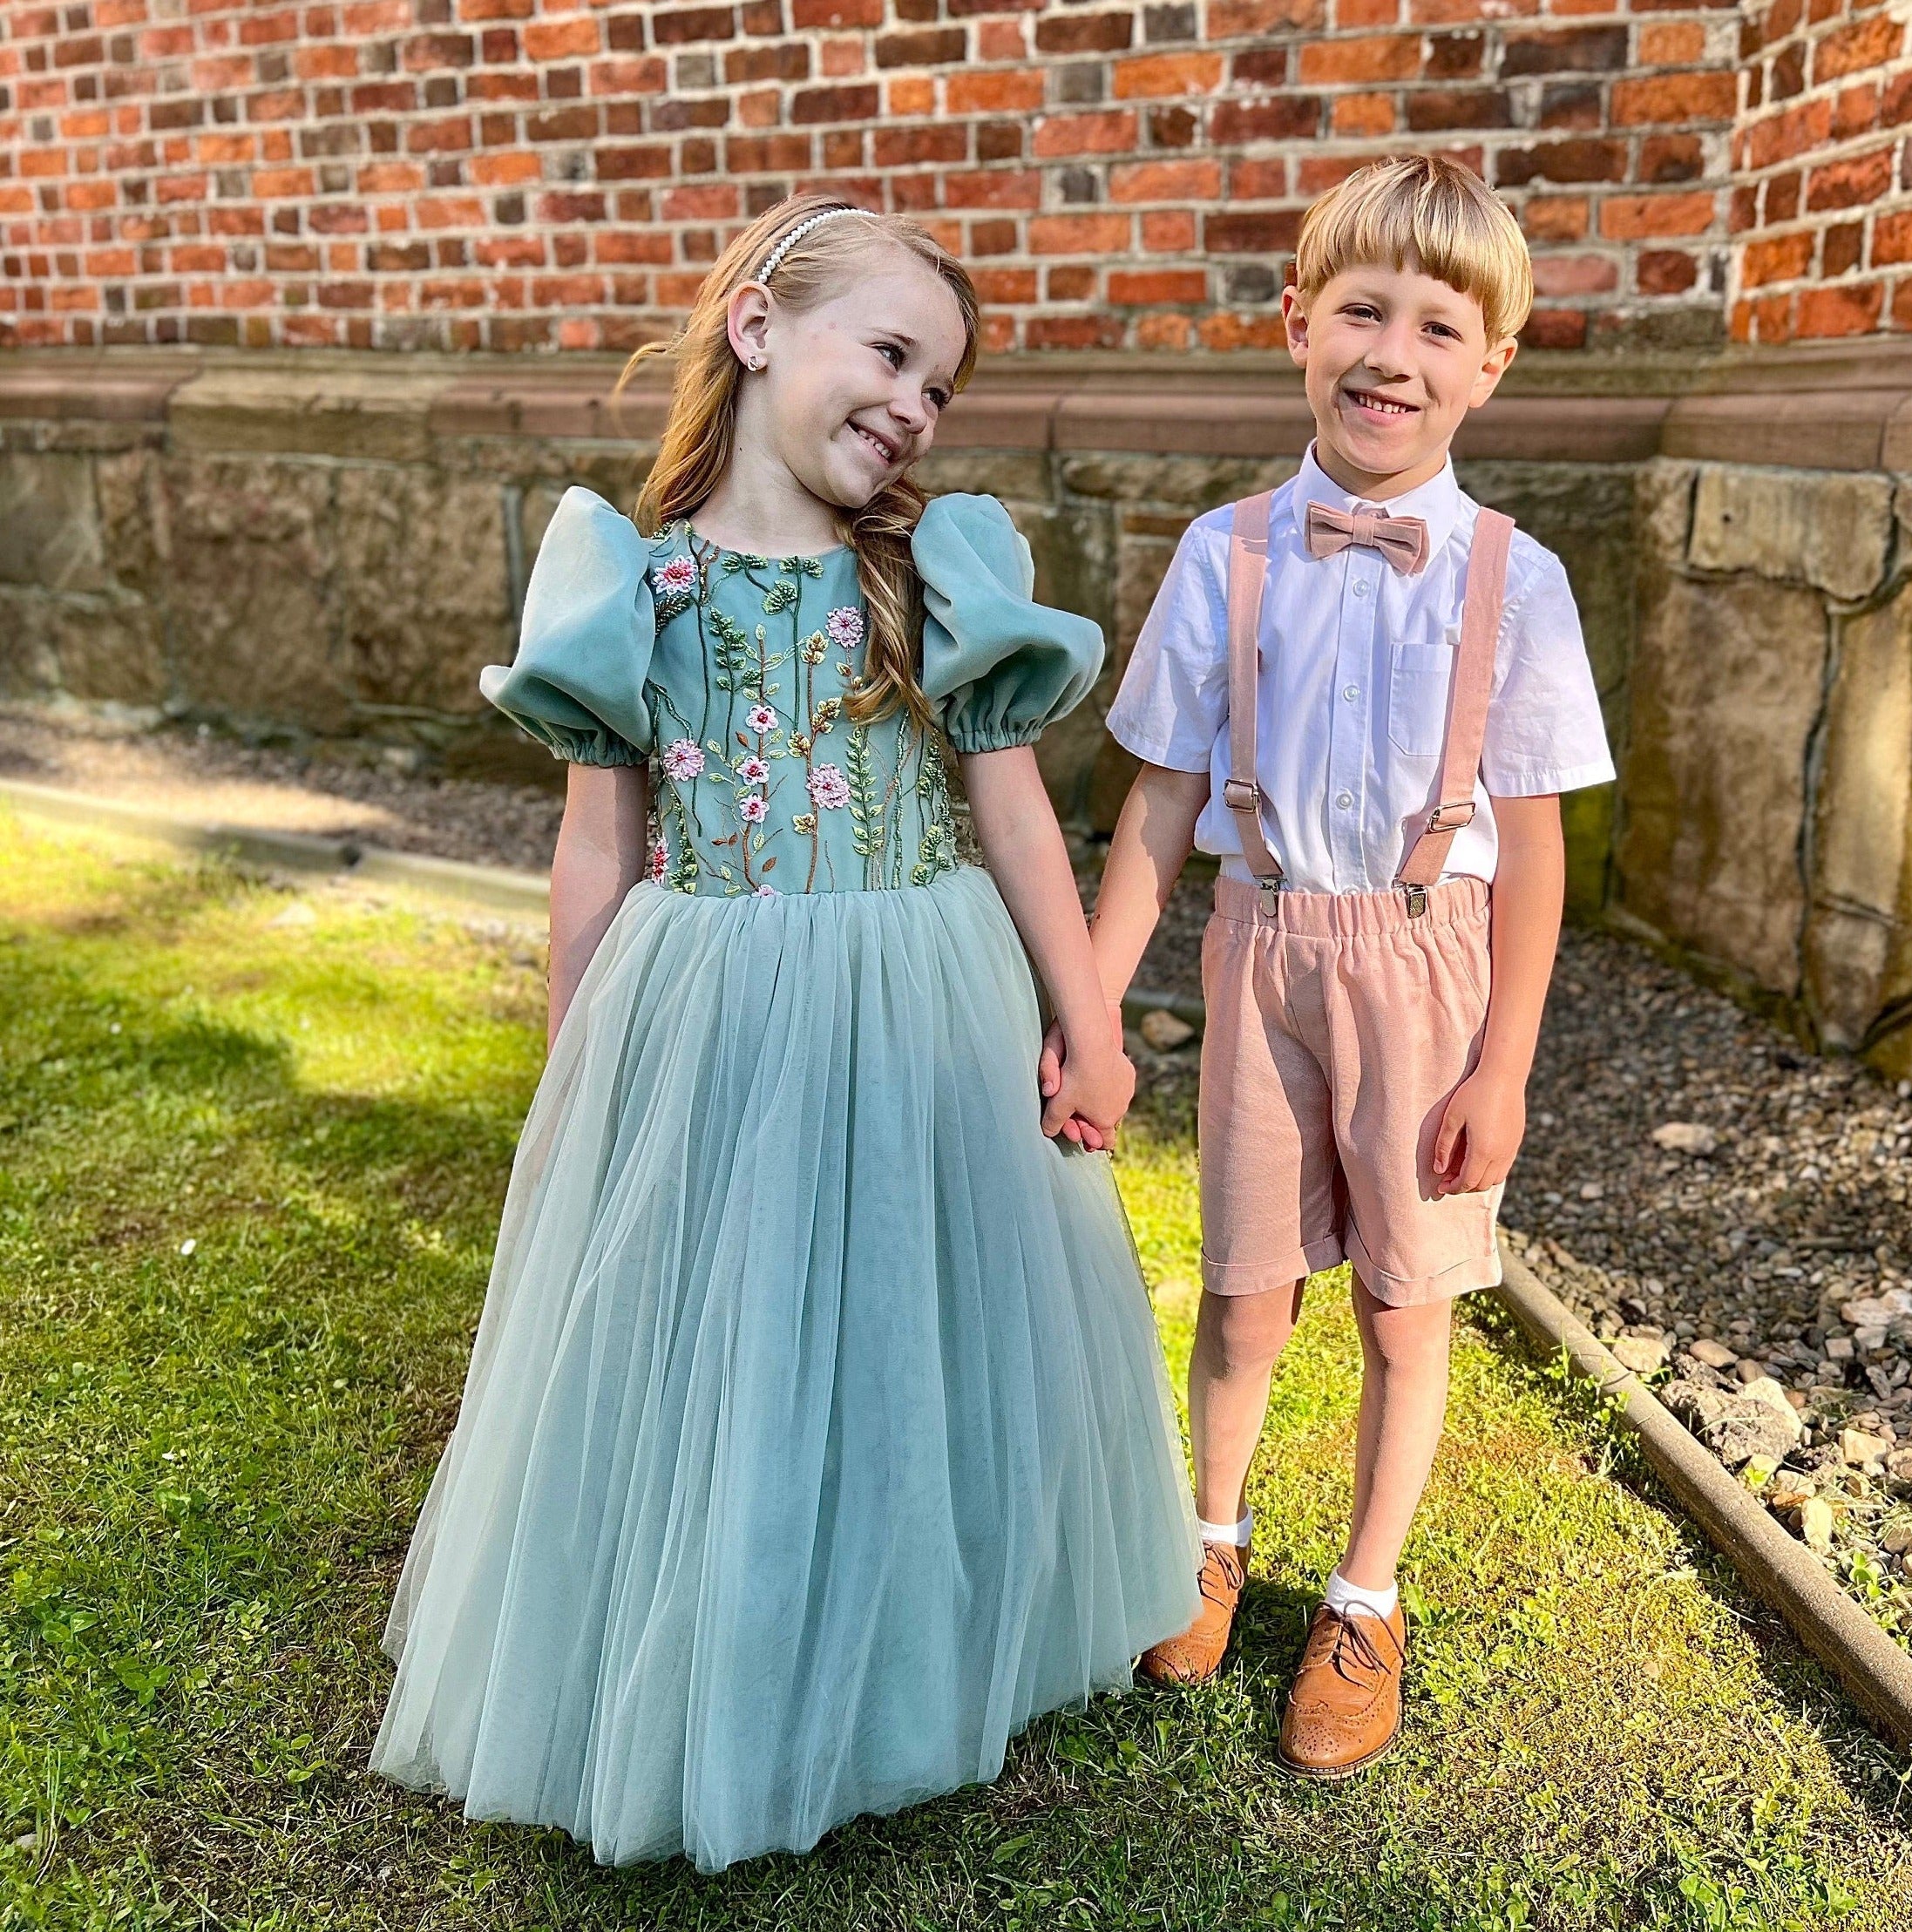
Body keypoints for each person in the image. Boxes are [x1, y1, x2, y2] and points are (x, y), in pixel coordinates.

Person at [368, 193, 1199, 1871]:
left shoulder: (931, 570)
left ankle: (919, 1643)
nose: (911, 404)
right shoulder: (634, 582)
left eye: (941, 385)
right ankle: (734, 1657)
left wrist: (1089, 1021)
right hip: (716, 994)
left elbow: (1022, 819)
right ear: (756, 328)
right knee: (731, 1339)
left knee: (920, 1322)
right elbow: (598, 844)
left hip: (925, 996)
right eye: (889, 353)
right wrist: (578, 1065)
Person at [1063, 154, 1615, 1778]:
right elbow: (1156, 805)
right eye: (1361, 311)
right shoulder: (1223, 553)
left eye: (1438, 327)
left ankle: (1364, 1596)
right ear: (1299, 323)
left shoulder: (1517, 580)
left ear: (1489, 364)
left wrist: (1502, 1064)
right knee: (1243, 1289)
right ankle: (1207, 1534)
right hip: (1265, 947)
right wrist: (1093, 1006)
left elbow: (1533, 849)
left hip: (1430, 974)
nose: (1393, 353)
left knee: (1403, 1305)